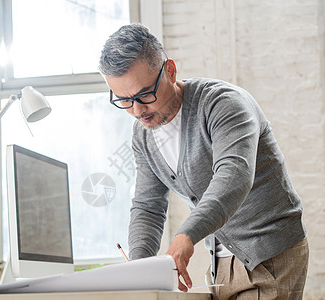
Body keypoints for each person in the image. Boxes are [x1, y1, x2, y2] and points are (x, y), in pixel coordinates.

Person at [99, 23, 308, 299]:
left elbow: (233, 175)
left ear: (170, 71)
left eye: (144, 94)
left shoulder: (224, 104)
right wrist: (139, 267)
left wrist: (186, 236)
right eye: (124, 100)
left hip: (268, 254)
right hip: (220, 264)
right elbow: (148, 205)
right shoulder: (143, 135)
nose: (137, 110)